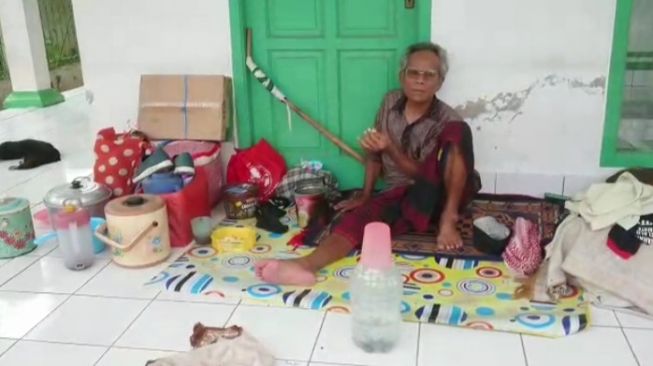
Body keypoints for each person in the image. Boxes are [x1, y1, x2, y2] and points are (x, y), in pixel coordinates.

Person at [256, 42, 480, 286]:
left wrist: (390, 148)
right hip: (404, 195)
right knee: (360, 220)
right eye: (413, 73)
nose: (420, 81)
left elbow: (424, 178)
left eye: (429, 75)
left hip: (442, 193)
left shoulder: (446, 119)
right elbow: (375, 153)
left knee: (459, 131)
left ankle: (448, 219)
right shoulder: (390, 102)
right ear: (402, 76)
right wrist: (365, 194)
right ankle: (303, 266)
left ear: (440, 82)